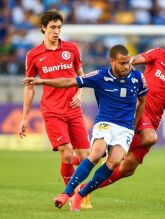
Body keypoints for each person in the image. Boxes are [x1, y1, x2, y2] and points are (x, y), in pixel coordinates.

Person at [24, 44, 148, 211]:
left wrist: (133, 126)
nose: (126, 66)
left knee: (114, 162)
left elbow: (142, 102)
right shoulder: (100, 75)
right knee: (96, 154)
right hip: (105, 122)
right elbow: (69, 81)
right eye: (122, 63)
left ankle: (80, 195)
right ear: (112, 62)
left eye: (127, 63)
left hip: (125, 128)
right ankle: (66, 194)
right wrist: (42, 81)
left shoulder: (138, 77)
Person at [90, 34, 165, 199]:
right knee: (150, 138)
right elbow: (135, 59)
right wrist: (128, 64)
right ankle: (115, 146)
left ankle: (84, 191)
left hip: (154, 119)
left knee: (127, 170)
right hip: (138, 108)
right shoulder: (158, 54)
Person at [18, 9, 92, 208]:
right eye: (53, 27)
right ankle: (73, 195)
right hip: (52, 111)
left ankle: (80, 188)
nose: (57, 31)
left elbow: (80, 75)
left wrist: (79, 93)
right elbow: (30, 86)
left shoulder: (72, 48)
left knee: (86, 157)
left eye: (59, 27)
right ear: (43, 28)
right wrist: (24, 117)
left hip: (73, 109)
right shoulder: (33, 55)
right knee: (67, 154)